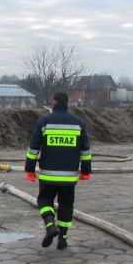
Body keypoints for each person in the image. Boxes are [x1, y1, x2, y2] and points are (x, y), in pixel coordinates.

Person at [25, 92, 92, 250]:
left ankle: (50, 225)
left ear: (54, 102)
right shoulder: (78, 123)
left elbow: (33, 148)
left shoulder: (44, 122)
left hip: (48, 174)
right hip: (69, 176)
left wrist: (29, 168)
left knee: (44, 200)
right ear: (67, 103)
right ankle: (63, 238)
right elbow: (85, 150)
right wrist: (86, 171)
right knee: (66, 205)